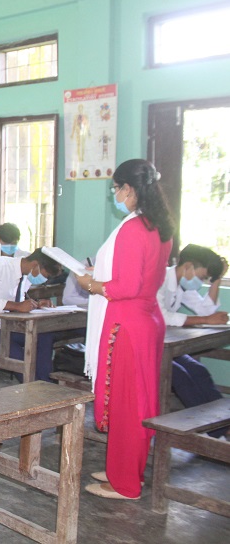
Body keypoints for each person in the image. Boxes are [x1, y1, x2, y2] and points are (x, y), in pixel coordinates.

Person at [76, 159, 175, 500]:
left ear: (129, 189)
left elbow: (127, 286)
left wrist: (92, 284)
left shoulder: (134, 228)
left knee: (128, 406)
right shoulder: (158, 225)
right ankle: (124, 469)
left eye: (116, 188)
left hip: (128, 324)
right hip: (146, 318)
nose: (115, 195)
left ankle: (126, 484)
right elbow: (139, 276)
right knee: (137, 402)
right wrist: (100, 275)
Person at [157, 244, 228, 435]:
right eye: (202, 277)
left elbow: (206, 310)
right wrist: (206, 320)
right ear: (188, 266)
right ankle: (217, 431)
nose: (201, 281)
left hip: (165, 345)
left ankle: (223, 423)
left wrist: (216, 280)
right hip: (148, 346)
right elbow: (162, 316)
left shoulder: (182, 284)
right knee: (181, 376)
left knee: (198, 370)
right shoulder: (160, 279)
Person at [0, 249, 63, 382]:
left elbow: (18, 300)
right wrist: (17, 306)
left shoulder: (26, 276)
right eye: (44, 275)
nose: (44, 280)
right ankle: (35, 390)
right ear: (35, 265)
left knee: (43, 336)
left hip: (8, 326)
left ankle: (45, 383)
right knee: (20, 359)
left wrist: (35, 304)